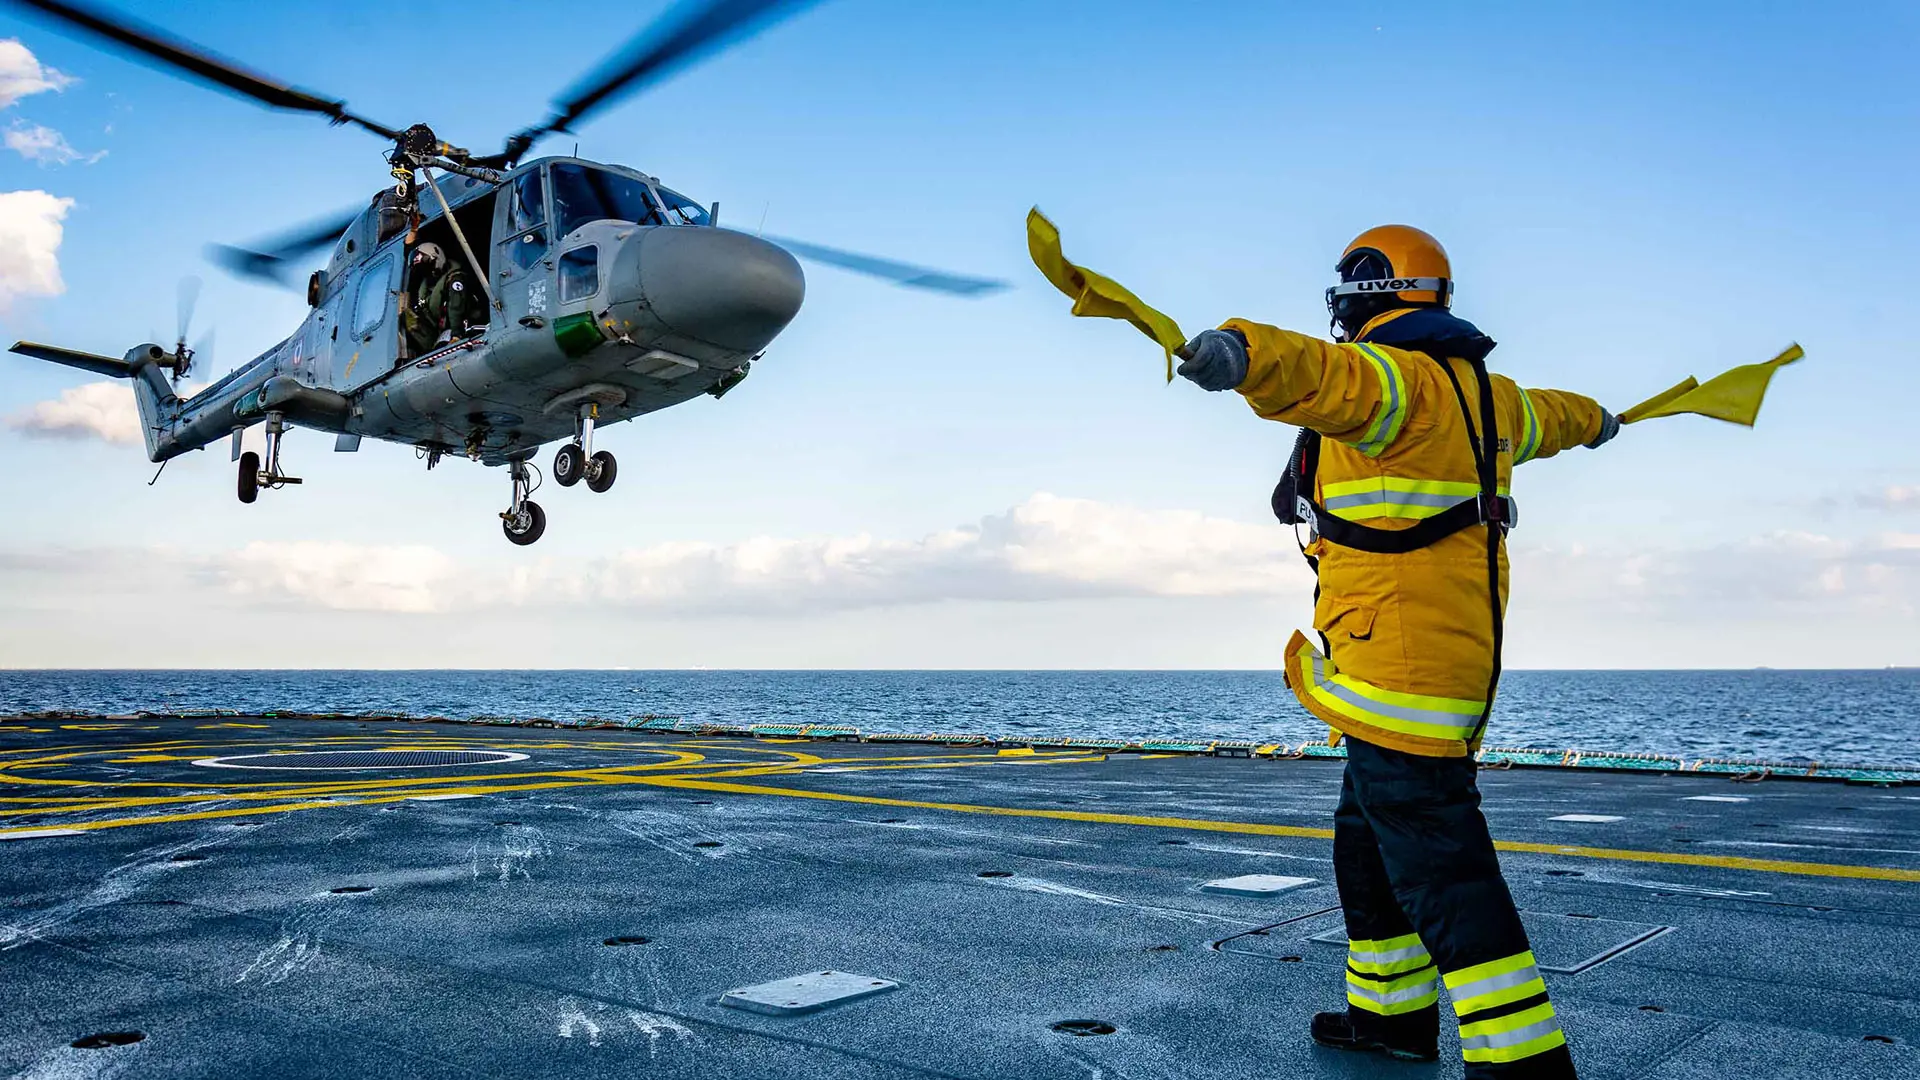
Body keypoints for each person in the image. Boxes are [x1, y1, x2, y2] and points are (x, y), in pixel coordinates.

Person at [1175, 225, 1617, 1079]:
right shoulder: (1492, 396)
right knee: (1366, 845)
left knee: (1443, 876)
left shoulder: (1395, 381)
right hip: (1406, 670)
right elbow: (1557, 416)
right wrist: (1602, 421)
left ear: (1369, 289)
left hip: (1404, 679)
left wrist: (1241, 351)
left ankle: (1525, 1063)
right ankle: (1390, 1019)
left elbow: (1321, 374)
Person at [403, 241, 482, 355]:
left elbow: (456, 307)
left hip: (466, 327)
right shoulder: (427, 291)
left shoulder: (455, 280)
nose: (426, 274)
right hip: (444, 333)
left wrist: (456, 335)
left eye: (426, 268)